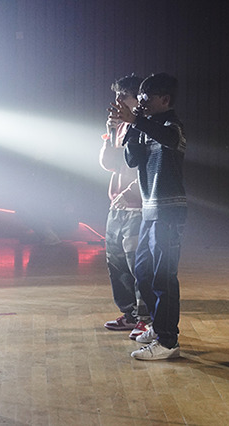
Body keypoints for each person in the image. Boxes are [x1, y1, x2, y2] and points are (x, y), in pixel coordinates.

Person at [112, 73, 187, 360]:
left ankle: (168, 341)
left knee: (163, 277)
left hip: (169, 211)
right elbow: (132, 160)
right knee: (142, 271)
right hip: (150, 211)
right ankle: (158, 327)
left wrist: (136, 120)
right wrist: (129, 127)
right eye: (140, 98)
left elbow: (169, 139)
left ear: (165, 99)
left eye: (147, 98)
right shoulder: (145, 127)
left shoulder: (172, 126)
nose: (141, 103)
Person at [100, 75, 150, 340]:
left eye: (124, 96)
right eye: (117, 96)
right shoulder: (119, 127)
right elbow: (108, 163)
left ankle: (145, 319)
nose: (118, 101)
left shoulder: (145, 126)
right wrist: (109, 134)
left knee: (137, 264)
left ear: (137, 100)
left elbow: (147, 168)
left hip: (137, 207)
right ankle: (129, 313)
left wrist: (130, 193)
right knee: (115, 262)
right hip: (116, 205)